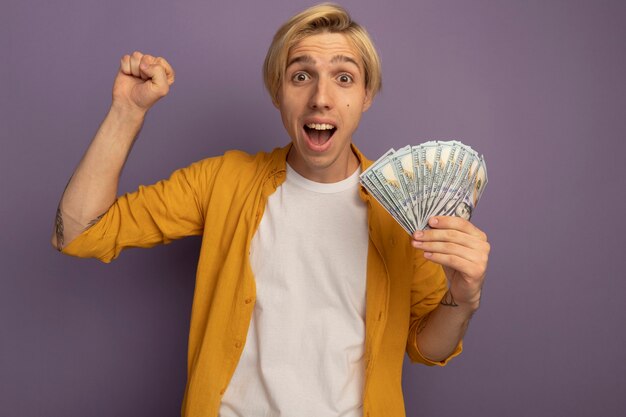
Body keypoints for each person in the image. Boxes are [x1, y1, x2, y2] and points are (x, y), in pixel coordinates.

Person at [52, 3, 490, 417]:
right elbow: (79, 231)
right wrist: (127, 111)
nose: (321, 97)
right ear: (277, 92)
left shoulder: (403, 203)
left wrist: (462, 300)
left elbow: (426, 346)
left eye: (343, 77)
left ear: (367, 94)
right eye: (301, 76)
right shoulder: (223, 181)